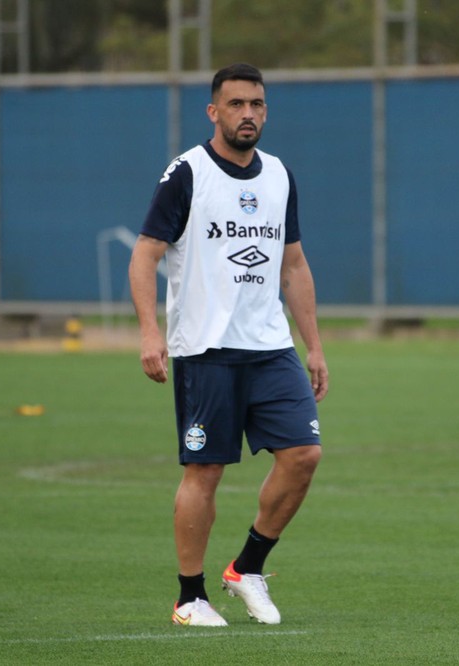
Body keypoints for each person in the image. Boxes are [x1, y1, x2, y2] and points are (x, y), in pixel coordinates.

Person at [128, 63, 329, 627]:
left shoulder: (280, 175)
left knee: (304, 455)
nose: (248, 114)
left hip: (270, 347)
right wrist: (150, 333)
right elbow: (145, 253)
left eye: (257, 104)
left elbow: (293, 264)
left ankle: (247, 567)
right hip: (205, 350)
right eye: (236, 104)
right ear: (214, 112)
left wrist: (313, 346)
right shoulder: (186, 173)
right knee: (206, 472)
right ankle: (190, 597)